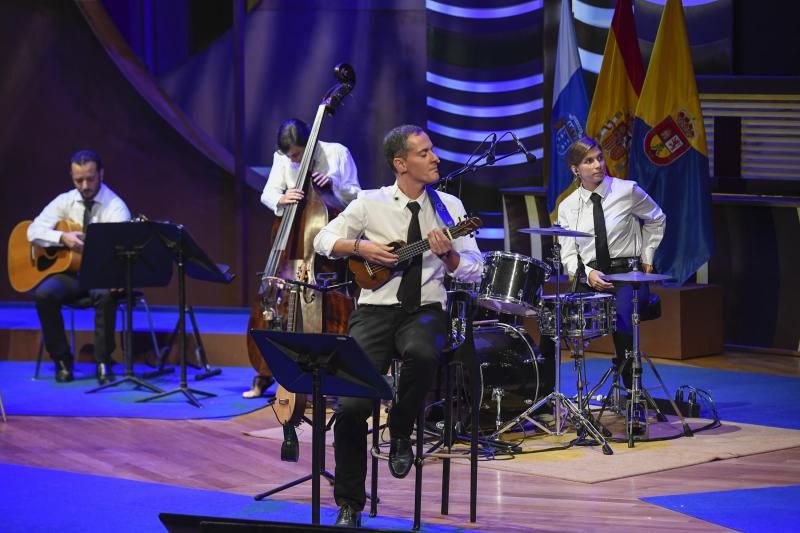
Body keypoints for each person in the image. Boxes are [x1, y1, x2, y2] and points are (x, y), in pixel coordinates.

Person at [313, 124, 483, 527]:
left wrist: (450, 258)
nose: (435, 158)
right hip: (374, 311)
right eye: (424, 153)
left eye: (432, 151)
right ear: (400, 163)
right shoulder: (369, 203)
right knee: (351, 406)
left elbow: (476, 269)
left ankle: (402, 430)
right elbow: (323, 239)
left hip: (425, 309)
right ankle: (349, 503)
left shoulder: (450, 208)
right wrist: (361, 247)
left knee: (422, 353)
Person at [243, 118, 362, 399]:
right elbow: (268, 194)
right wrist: (281, 199)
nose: (293, 160)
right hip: (290, 254)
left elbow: (356, 196)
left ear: (310, 145)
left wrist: (334, 185)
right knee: (274, 310)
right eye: (290, 156)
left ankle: (331, 374)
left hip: (324, 254)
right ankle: (265, 373)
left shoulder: (337, 153)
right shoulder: (282, 159)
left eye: (297, 155)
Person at [557, 136, 666, 387]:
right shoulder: (567, 206)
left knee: (622, 319)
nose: (598, 165)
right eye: (589, 161)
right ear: (576, 169)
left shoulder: (627, 190)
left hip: (626, 274)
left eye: (599, 158)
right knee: (553, 321)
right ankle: (543, 396)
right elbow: (568, 252)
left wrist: (648, 255)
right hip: (591, 276)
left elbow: (657, 218)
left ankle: (632, 392)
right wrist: (586, 274)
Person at [27, 149, 131, 385]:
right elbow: (32, 231)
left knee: (106, 296)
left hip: (101, 276)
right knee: (44, 294)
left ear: (101, 174)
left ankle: (103, 362)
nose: (84, 185)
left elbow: (120, 250)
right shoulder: (65, 201)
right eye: (78, 180)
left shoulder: (115, 207)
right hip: (71, 275)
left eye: (90, 178)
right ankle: (62, 360)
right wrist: (62, 238)